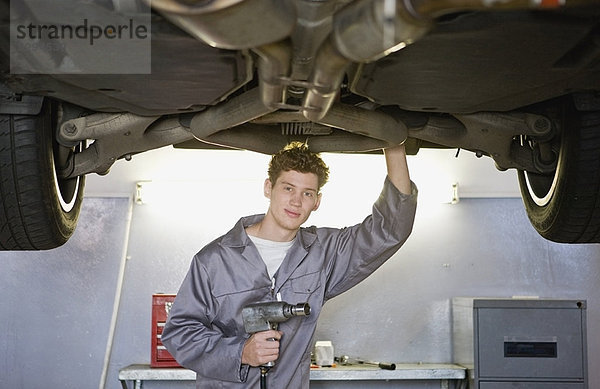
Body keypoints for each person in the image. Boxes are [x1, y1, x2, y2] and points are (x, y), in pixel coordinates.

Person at [161, 141, 417, 388]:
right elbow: (179, 334)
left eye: (307, 193)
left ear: (317, 201)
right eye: (288, 188)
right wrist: (241, 352)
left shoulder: (324, 253)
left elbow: (390, 230)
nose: (296, 201)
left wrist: (393, 144)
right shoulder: (214, 260)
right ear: (268, 187)